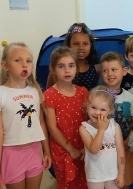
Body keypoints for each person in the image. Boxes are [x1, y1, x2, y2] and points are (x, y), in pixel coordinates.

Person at [0, 42, 51, 189]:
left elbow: (41, 123)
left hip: (34, 152)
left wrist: (46, 150)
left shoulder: (35, 92)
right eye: (18, 60)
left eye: (28, 61)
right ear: (5, 66)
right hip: (11, 154)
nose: (25, 65)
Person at [44, 46, 89, 189]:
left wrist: (85, 147)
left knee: (86, 182)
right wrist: (70, 149)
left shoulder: (83, 92)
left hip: (83, 146)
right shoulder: (49, 95)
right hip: (63, 148)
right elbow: (52, 127)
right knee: (67, 184)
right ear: (52, 69)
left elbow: (89, 121)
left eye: (71, 65)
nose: (67, 70)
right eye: (61, 66)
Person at [100, 51, 133, 188]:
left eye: (114, 70)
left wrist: (127, 142)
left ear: (124, 71)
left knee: (125, 181)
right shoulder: (97, 96)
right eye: (105, 70)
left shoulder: (129, 97)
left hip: (126, 147)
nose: (110, 74)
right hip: (104, 150)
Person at [79, 86, 126, 189]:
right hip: (95, 176)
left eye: (103, 109)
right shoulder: (84, 128)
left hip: (113, 174)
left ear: (110, 110)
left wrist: (121, 174)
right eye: (93, 107)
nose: (97, 113)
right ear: (87, 105)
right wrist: (101, 130)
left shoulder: (114, 126)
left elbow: (121, 151)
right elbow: (94, 150)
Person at [47, 23, 100, 91]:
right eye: (76, 44)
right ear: (69, 44)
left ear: (90, 45)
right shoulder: (58, 70)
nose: (81, 47)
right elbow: (49, 92)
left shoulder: (95, 70)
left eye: (85, 44)